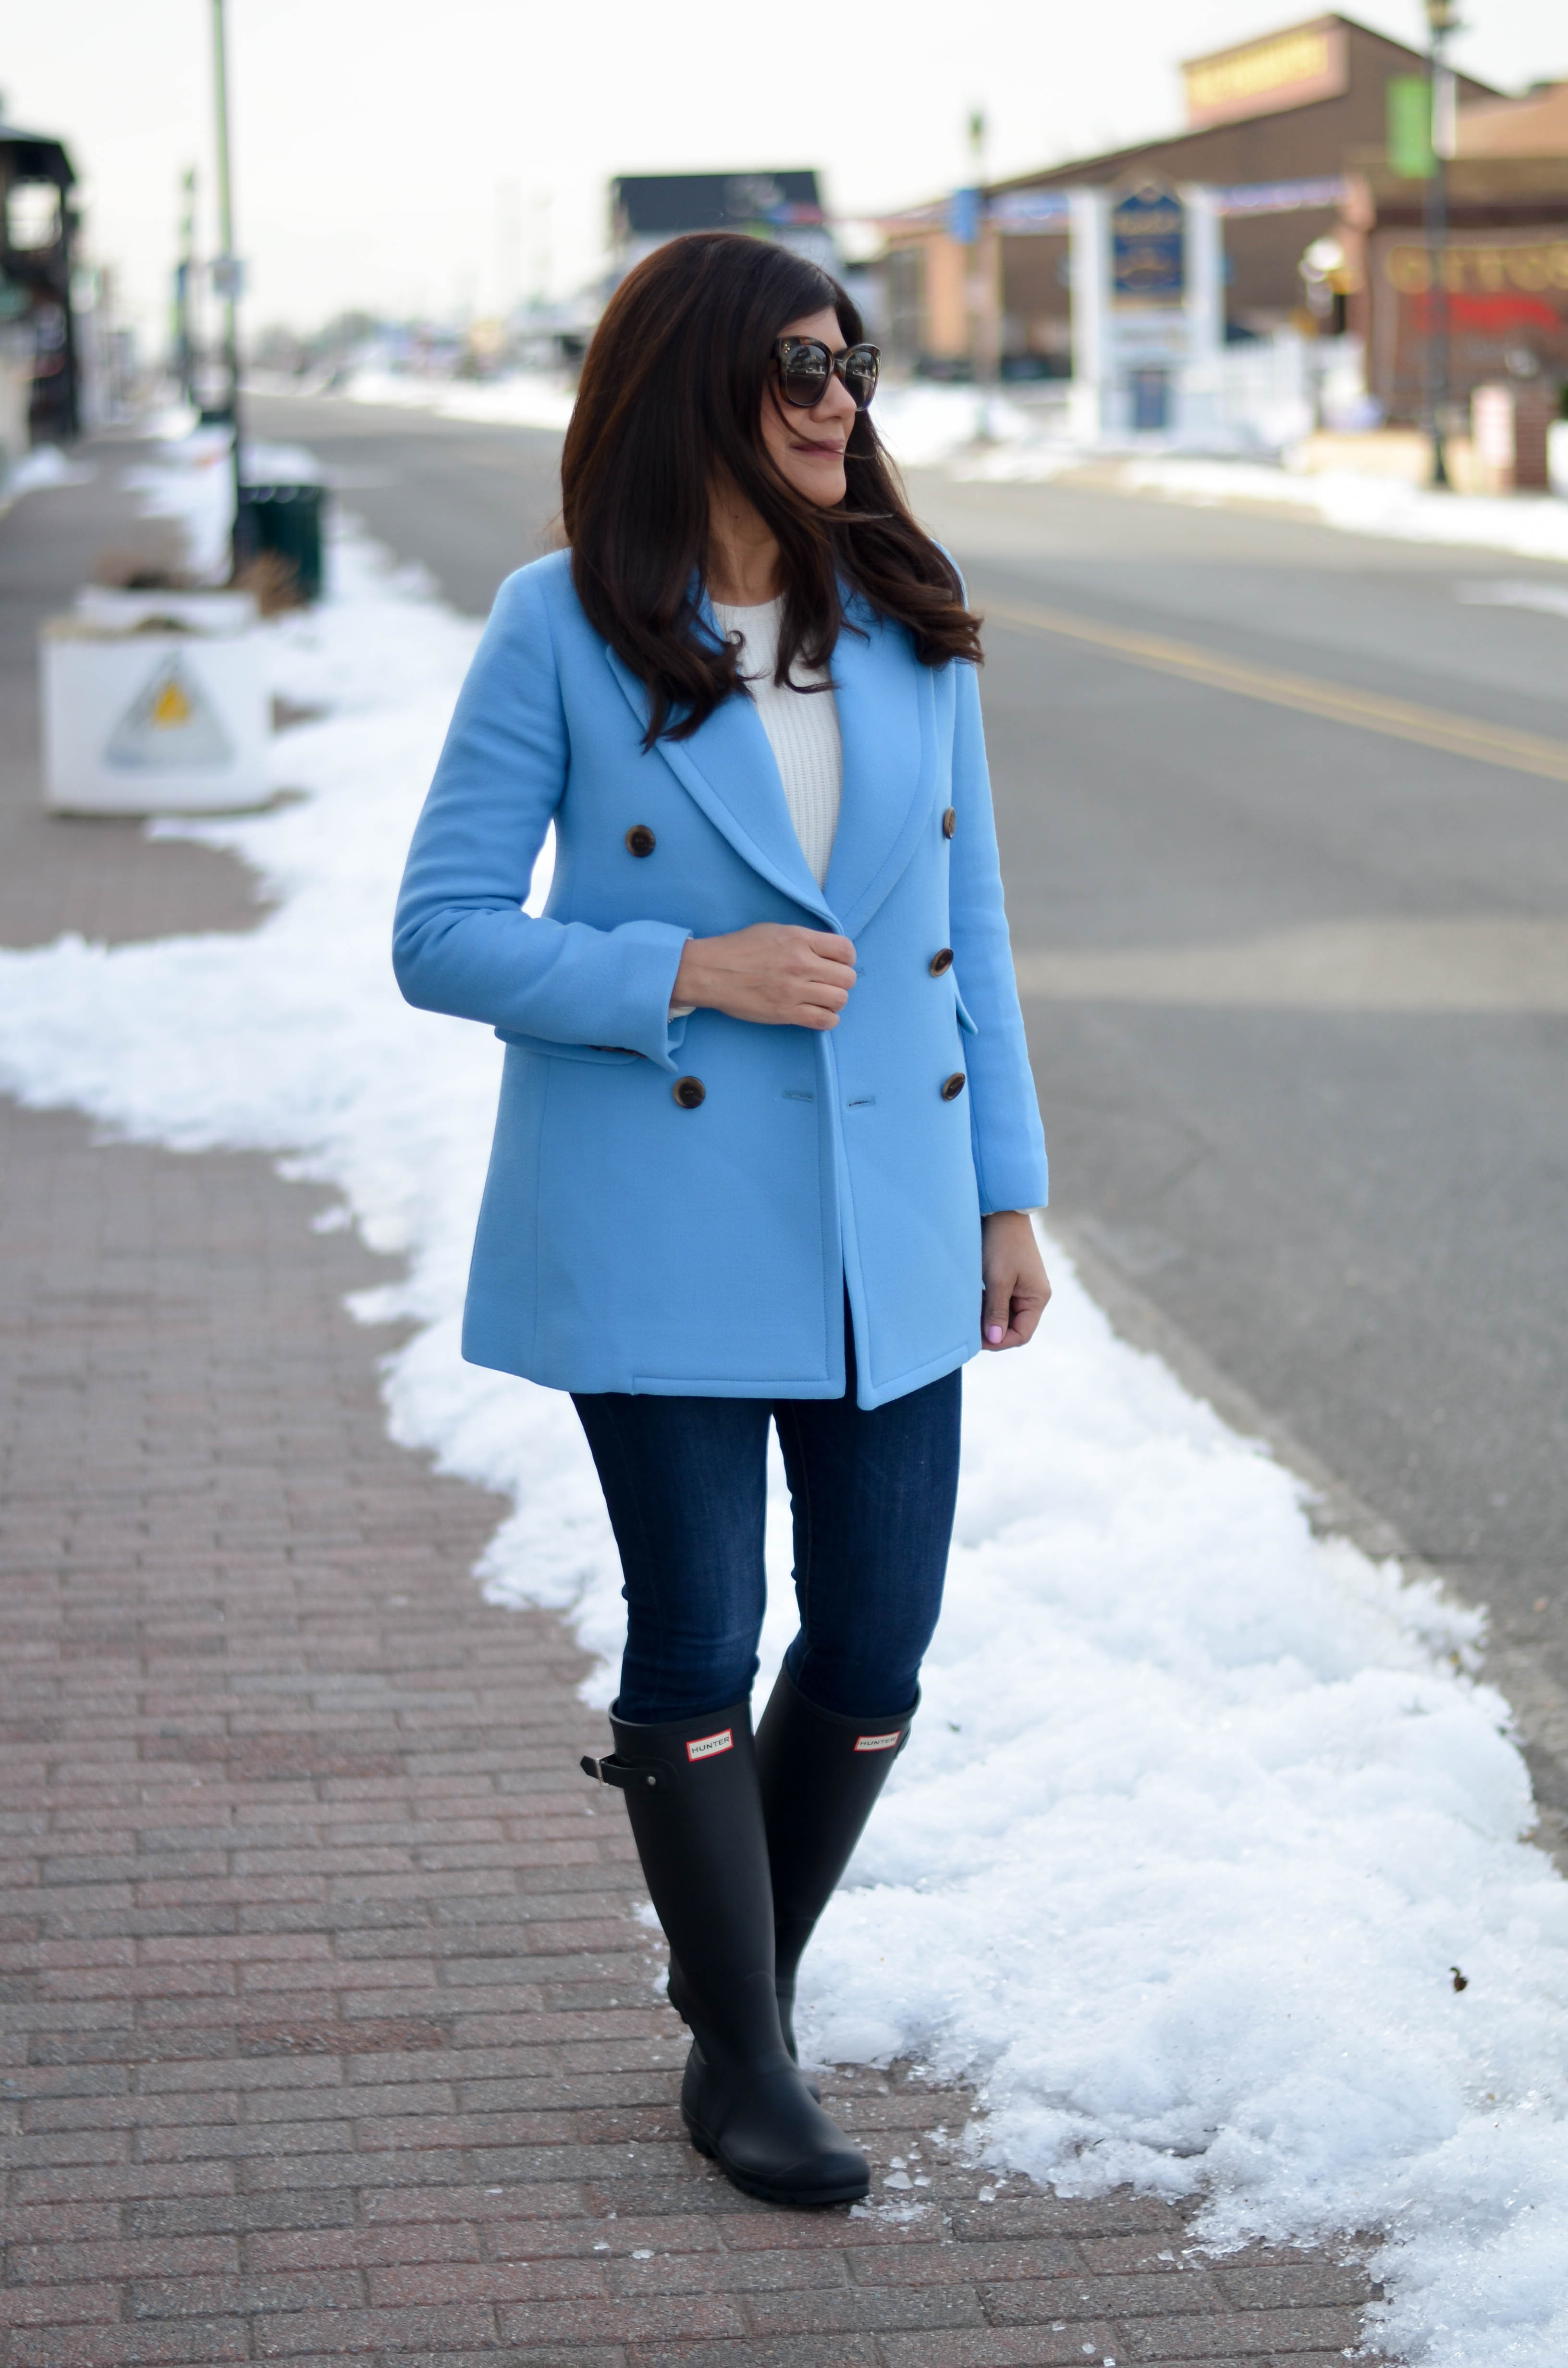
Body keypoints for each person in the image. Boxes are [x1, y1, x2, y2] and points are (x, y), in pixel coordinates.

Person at [393, 231, 1050, 2210]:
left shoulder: (908, 629)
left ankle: (722, 1993)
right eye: (794, 364)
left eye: (850, 362)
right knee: (701, 1628)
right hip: (660, 1218)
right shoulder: (561, 626)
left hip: (892, 1222)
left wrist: (1008, 1187)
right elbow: (440, 932)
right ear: (695, 384)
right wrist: (683, 969)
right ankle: (747, 2055)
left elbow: (973, 943)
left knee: (873, 1639)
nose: (838, 396)